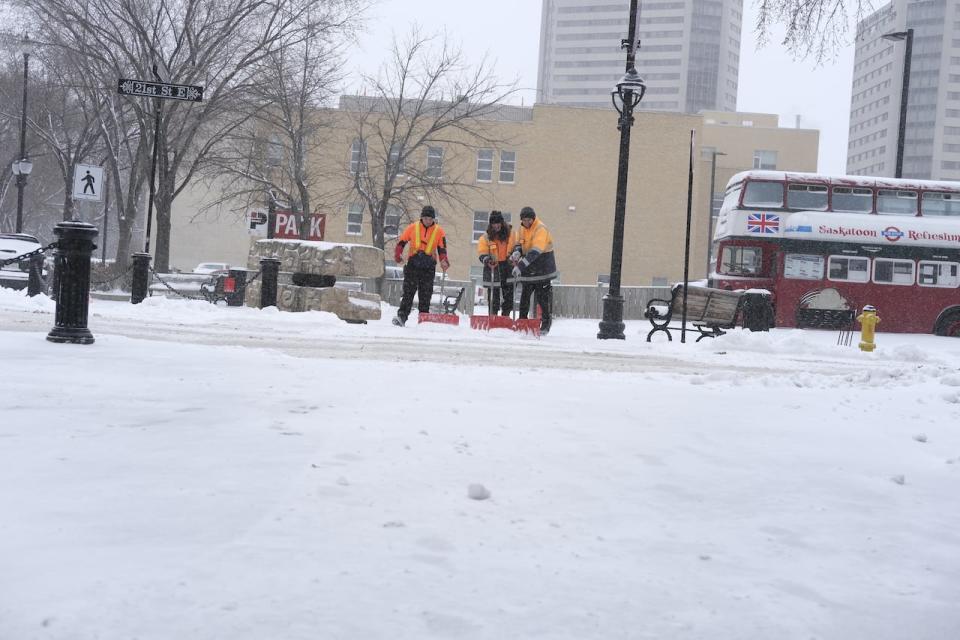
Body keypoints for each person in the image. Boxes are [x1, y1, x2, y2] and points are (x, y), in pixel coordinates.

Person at [392, 205, 449, 326]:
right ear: (422, 218)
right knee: (408, 292)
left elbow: (442, 249)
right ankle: (402, 317)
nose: (428, 221)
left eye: (430, 219)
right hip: (413, 264)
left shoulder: (439, 231)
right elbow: (401, 242)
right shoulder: (413, 227)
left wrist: (444, 260)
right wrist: (398, 253)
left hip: (428, 266)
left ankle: (424, 319)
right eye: (426, 218)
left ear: (433, 219)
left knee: (425, 294)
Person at [510, 206, 558, 334]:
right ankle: (522, 322)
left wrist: (520, 266)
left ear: (533, 218)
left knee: (542, 298)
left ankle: (546, 324)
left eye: (529, 220)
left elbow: (535, 251)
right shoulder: (521, 228)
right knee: (525, 296)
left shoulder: (540, 229)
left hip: (543, 266)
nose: (526, 223)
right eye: (524, 220)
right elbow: (520, 243)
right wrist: (517, 252)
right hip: (529, 267)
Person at [476, 210, 514, 316]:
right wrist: (487, 259)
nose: (496, 226)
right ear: (491, 224)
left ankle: (505, 316)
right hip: (493, 267)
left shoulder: (510, 235)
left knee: (509, 296)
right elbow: (482, 251)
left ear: (502, 223)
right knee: (493, 297)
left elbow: (515, 246)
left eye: (498, 223)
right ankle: (493, 316)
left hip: (507, 267)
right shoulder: (486, 237)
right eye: (494, 223)